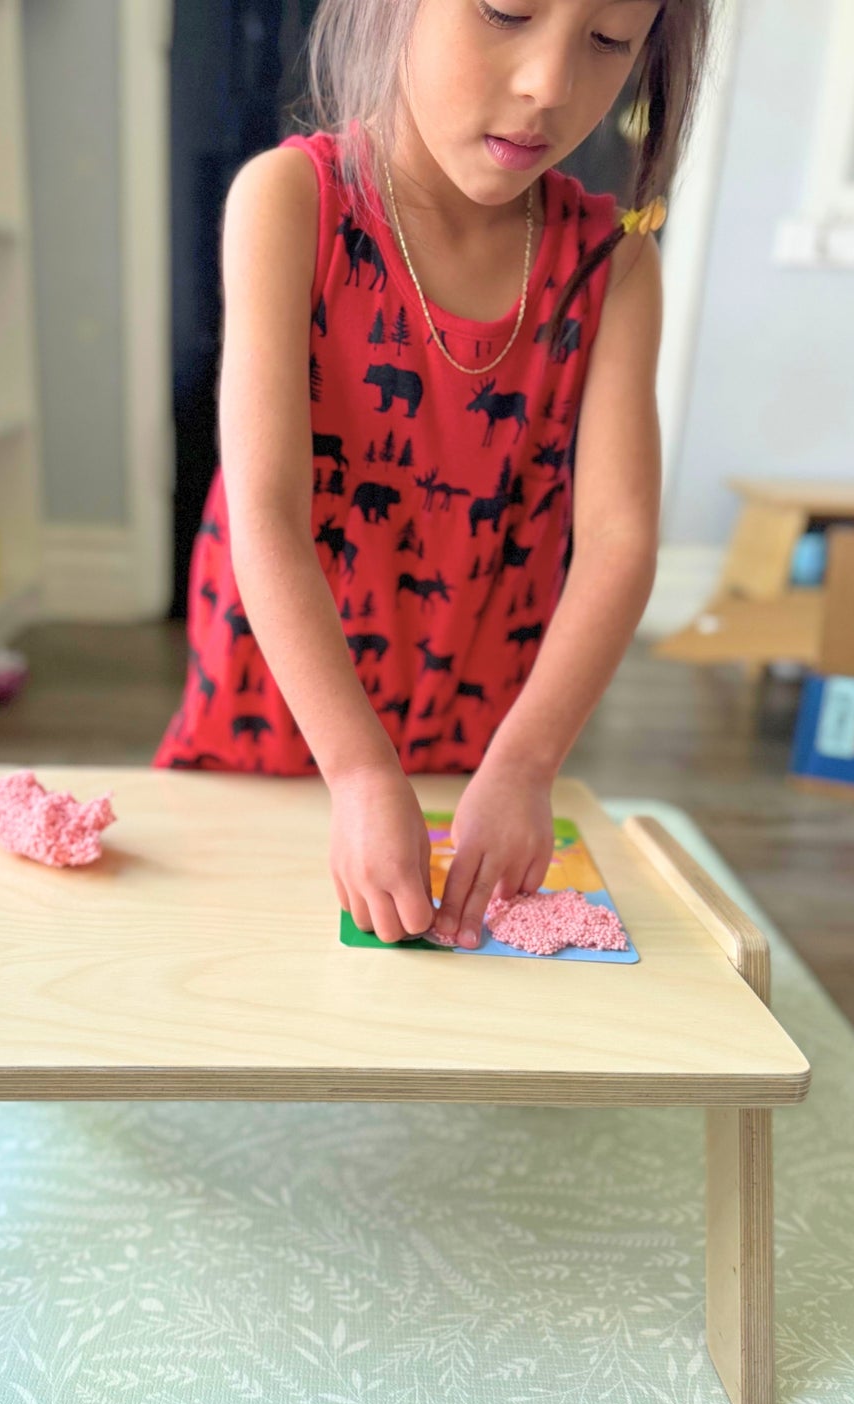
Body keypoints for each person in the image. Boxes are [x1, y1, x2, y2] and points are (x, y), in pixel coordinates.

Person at [154, 0, 710, 952]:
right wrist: (362, 772)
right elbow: (266, 512)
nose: (549, 84)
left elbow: (619, 540)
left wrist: (528, 764)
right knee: (236, 953)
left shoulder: (614, 265)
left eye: (608, 42)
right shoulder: (290, 201)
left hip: (486, 723)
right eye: (505, 12)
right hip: (284, 699)